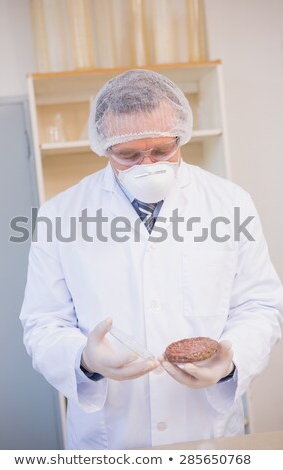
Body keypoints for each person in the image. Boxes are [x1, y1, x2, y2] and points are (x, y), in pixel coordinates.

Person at [20, 69, 283, 450]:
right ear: (104, 146)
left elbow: (259, 305)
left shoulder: (230, 203)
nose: (147, 164)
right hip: (110, 440)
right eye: (128, 155)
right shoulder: (59, 216)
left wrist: (230, 360)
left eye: (162, 150)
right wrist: (83, 358)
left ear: (181, 135)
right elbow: (43, 322)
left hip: (205, 432)